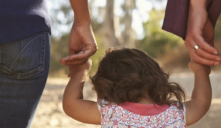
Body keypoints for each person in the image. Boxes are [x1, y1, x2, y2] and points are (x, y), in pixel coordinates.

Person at [62, 48, 212, 127]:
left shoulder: (112, 113)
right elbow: (201, 102)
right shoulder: (174, 115)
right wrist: (201, 70)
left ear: (105, 84)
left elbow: (71, 104)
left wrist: (81, 71)